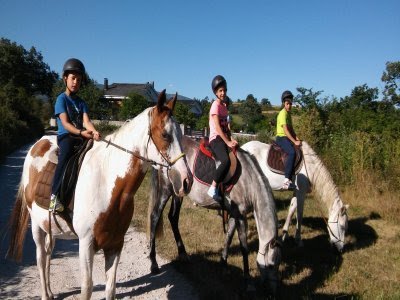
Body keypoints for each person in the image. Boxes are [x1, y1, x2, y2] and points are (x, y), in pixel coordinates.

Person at [49, 58, 101, 212]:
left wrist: (94, 131)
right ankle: (54, 197)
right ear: (65, 78)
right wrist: (80, 132)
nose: (75, 82)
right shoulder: (61, 99)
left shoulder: (81, 102)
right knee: (65, 157)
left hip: (81, 135)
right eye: (73, 78)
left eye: (78, 79)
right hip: (67, 136)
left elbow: (87, 121)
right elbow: (65, 123)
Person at [207, 75, 238, 202]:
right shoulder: (215, 106)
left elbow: (226, 128)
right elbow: (218, 128)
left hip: (224, 138)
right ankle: (212, 187)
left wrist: (232, 139)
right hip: (216, 139)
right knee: (225, 161)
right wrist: (227, 142)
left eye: (224, 90)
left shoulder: (224, 108)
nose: (223, 93)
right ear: (215, 92)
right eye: (220, 90)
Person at [275, 90, 301, 190]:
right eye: (287, 103)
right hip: (281, 138)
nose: (289, 105)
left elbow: (291, 130)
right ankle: (286, 181)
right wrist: (294, 142)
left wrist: (298, 139)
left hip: (287, 137)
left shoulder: (288, 114)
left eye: (290, 103)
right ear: (283, 104)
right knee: (291, 153)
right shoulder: (282, 114)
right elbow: (285, 130)